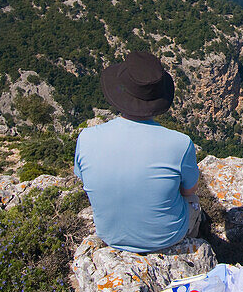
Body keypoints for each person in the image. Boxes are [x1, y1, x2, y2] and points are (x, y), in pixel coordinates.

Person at [74, 51, 202, 254]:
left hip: (109, 236)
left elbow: (84, 179)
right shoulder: (180, 143)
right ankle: (192, 248)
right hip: (166, 238)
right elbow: (189, 190)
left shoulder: (86, 137)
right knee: (193, 202)